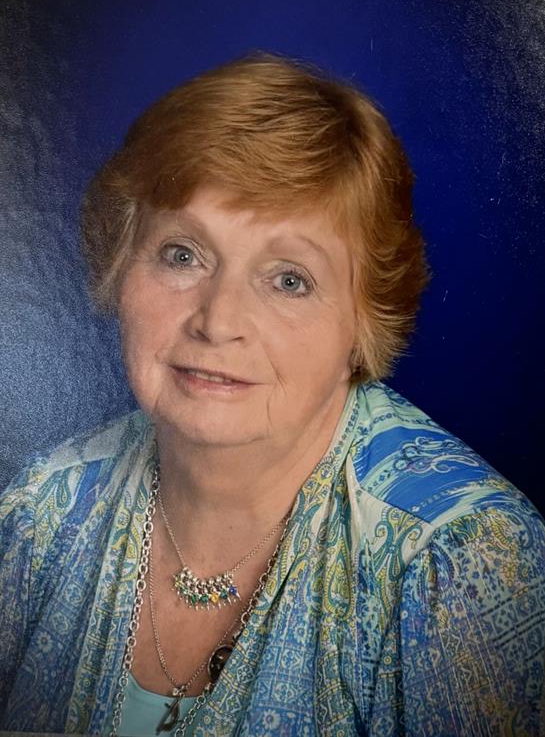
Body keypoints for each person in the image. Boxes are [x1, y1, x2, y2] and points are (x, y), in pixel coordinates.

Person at [0, 52, 544, 737]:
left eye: (289, 279)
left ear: (364, 322)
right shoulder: (40, 510)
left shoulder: (460, 560)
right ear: (117, 267)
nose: (217, 320)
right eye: (181, 254)